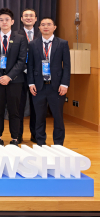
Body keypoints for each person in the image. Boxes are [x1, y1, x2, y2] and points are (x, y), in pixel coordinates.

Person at [0, 8, 27, 147]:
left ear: (13, 22)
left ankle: (15, 138)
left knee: (14, 111)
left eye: (7, 20)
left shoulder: (20, 38)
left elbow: (22, 60)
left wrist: (8, 77)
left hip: (15, 81)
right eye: (1, 20)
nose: (4, 22)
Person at [28, 17, 70, 146]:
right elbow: (30, 65)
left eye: (49, 24)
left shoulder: (62, 43)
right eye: (43, 25)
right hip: (38, 86)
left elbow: (67, 66)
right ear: (39, 27)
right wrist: (31, 83)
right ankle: (40, 142)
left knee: (58, 117)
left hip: (56, 86)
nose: (46, 27)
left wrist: (64, 84)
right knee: (39, 117)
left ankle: (58, 143)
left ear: (54, 27)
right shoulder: (33, 44)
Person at [18, 8, 41, 143]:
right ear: (21, 19)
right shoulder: (16, 35)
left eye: (31, 15)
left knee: (36, 107)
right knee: (19, 107)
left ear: (36, 18)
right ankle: (18, 134)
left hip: (37, 76)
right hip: (20, 75)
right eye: (25, 15)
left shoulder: (42, 34)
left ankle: (35, 134)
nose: (28, 18)